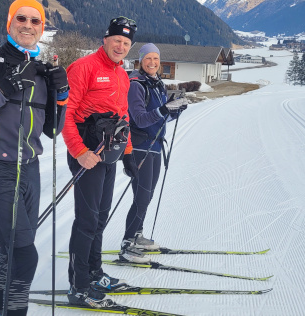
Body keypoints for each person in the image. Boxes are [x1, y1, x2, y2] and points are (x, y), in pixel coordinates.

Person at [0, 0, 69, 315]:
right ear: (10, 23)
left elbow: (53, 130)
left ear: (42, 28)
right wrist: (3, 90)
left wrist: (62, 95)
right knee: (25, 255)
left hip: (30, 170)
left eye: (36, 21)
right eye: (22, 18)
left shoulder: (42, 70)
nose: (28, 25)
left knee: (11, 250)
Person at [61, 16, 138, 308]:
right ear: (105, 40)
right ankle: (79, 286)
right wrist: (80, 151)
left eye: (126, 43)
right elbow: (65, 114)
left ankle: (94, 274)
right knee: (87, 221)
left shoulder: (122, 75)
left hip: (109, 155)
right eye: (116, 40)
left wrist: (128, 154)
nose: (120, 46)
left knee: (100, 219)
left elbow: (123, 119)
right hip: (86, 156)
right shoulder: (83, 68)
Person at [119, 43, 188, 263]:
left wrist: (174, 111)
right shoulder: (136, 85)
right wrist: (164, 109)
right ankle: (128, 243)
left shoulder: (158, 84)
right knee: (141, 197)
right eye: (148, 58)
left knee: (147, 196)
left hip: (156, 146)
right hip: (140, 147)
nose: (152, 63)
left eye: (155, 59)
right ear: (140, 61)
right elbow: (138, 118)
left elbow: (160, 118)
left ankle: (137, 235)